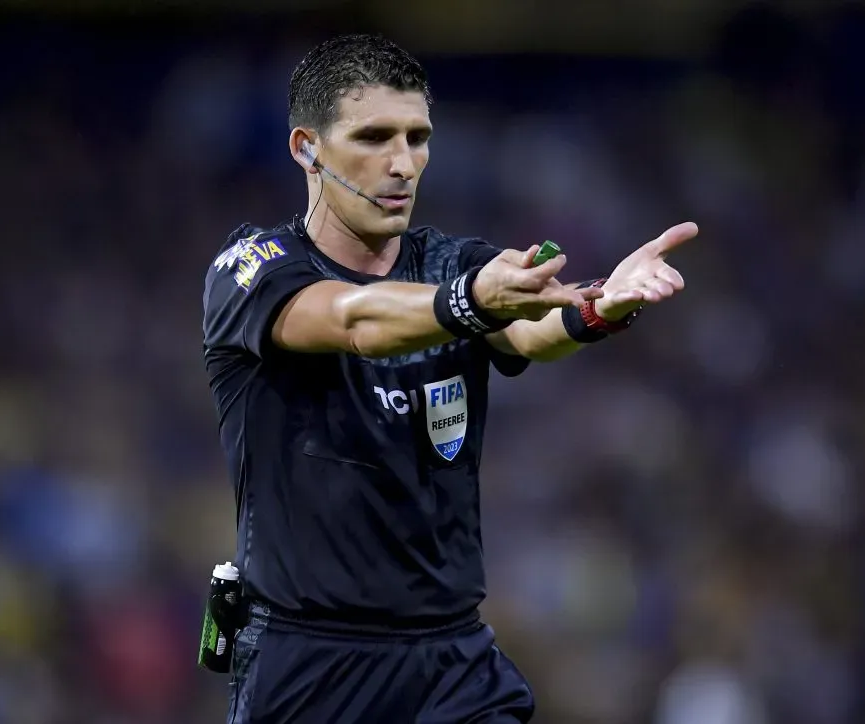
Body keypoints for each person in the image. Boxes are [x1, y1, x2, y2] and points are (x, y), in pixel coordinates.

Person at [202, 33, 696, 724]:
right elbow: (351, 319)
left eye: (418, 137)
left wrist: (599, 306)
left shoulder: (449, 262)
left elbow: (526, 328)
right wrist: (468, 303)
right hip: (311, 662)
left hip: (451, 661)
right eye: (375, 137)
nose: (403, 163)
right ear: (307, 148)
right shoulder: (254, 267)